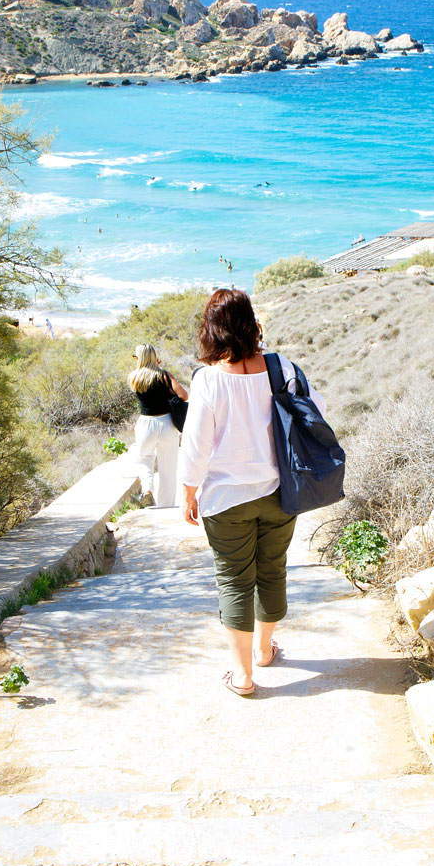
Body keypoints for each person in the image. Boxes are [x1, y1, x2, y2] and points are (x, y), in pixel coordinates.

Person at [179, 289, 326, 697]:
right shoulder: (284, 368)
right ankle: (264, 650)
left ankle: (243, 676)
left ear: (211, 329)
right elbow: (318, 412)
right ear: (251, 322)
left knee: (234, 581)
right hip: (281, 492)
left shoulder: (207, 380)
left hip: (226, 501)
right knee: (272, 571)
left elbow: (196, 446)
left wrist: (189, 493)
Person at [128, 344, 188, 507]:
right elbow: (183, 395)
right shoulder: (164, 376)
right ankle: (166, 505)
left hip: (146, 423)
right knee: (168, 467)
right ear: (154, 357)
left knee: (143, 458)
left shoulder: (134, 377)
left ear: (139, 358)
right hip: (167, 423)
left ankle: (147, 490)